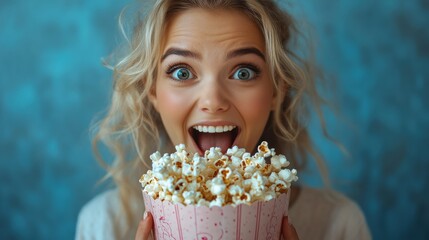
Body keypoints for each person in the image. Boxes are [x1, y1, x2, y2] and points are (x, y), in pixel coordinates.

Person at [76, 0, 371, 239]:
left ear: (276, 92)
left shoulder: (338, 224)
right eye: (182, 72)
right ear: (152, 91)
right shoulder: (104, 225)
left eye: (243, 72)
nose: (213, 101)